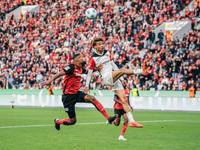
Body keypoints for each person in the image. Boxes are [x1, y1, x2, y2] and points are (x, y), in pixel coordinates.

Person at [41, 54, 116, 130]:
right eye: (82, 57)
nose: (84, 58)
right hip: (68, 96)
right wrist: (49, 81)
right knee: (72, 121)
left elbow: (87, 71)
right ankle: (58, 122)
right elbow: (60, 73)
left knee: (92, 98)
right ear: (77, 60)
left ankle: (108, 118)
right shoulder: (71, 67)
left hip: (76, 93)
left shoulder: (80, 69)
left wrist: (96, 69)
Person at [84, 37, 143, 128]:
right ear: (94, 47)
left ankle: (132, 121)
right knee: (122, 70)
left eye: (102, 44)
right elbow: (89, 72)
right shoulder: (93, 58)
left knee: (124, 99)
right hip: (106, 77)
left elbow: (113, 65)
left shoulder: (107, 53)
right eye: (99, 44)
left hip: (113, 75)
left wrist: (122, 79)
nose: (102, 45)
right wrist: (87, 85)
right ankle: (141, 71)